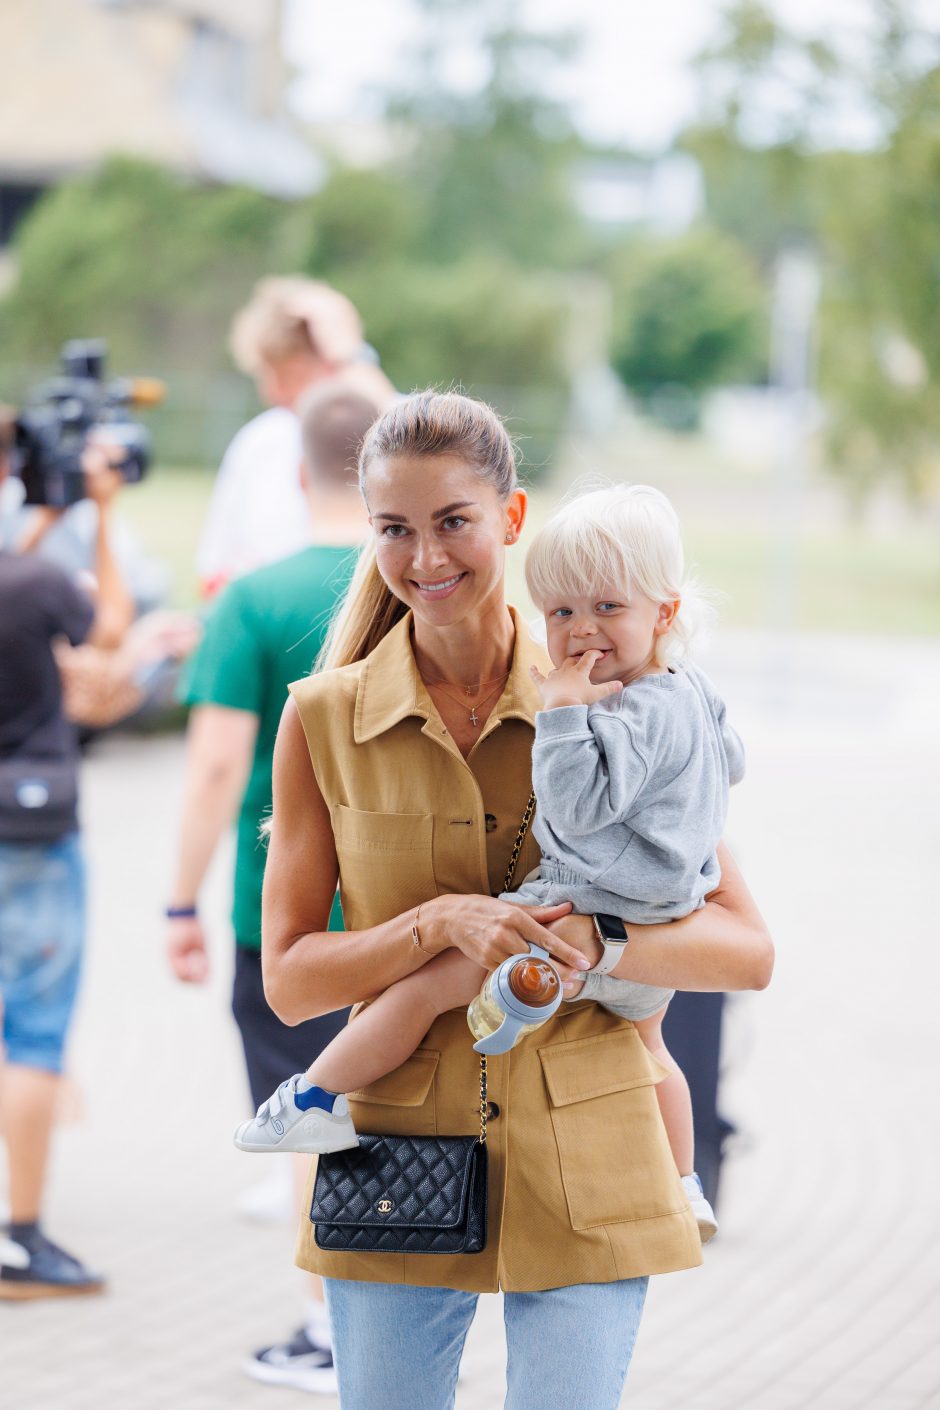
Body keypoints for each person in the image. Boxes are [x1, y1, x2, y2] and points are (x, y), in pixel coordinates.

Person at [260, 391, 774, 1410]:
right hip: (392, 1154)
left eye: (452, 521)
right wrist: (433, 926)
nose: (423, 557)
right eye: (393, 529)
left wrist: (602, 941)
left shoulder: (620, 699)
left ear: (511, 517)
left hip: (591, 1149)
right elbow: (287, 984)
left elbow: (744, 951)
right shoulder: (321, 721)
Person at [234, 481, 741, 1245]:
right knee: (655, 1047)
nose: (581, 632)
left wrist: (566, 715)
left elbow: (580, 809)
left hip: (583, 902)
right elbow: (730, 760)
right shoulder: (690, 692)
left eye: (608, 609)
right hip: (661, 911)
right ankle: (687, 1182)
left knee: (426, 987)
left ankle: (312, 1098)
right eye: (563, 611)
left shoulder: (603, 708)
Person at [166, 384, 382, 1393]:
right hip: (407, 904)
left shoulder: (252, 597)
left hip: (288, 912)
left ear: (296, 473)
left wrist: (179, 901)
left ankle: (329, 1327)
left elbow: (215, 768)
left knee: (311, 1115)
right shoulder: (418, 581)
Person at [0, 418, 133, 1299]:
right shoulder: (36, 582)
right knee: (32, 1037)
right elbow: (111, 631)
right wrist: (105, 514)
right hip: (31, 831)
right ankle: (20, 1237)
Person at [196, 276, 395, 598]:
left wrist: (349, 351)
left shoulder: (391, 415)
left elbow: (398, 433)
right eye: (266, 375)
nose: (273, 391)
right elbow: (214, 571)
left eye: (290, 375)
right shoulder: (258, 442)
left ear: (331, 366)